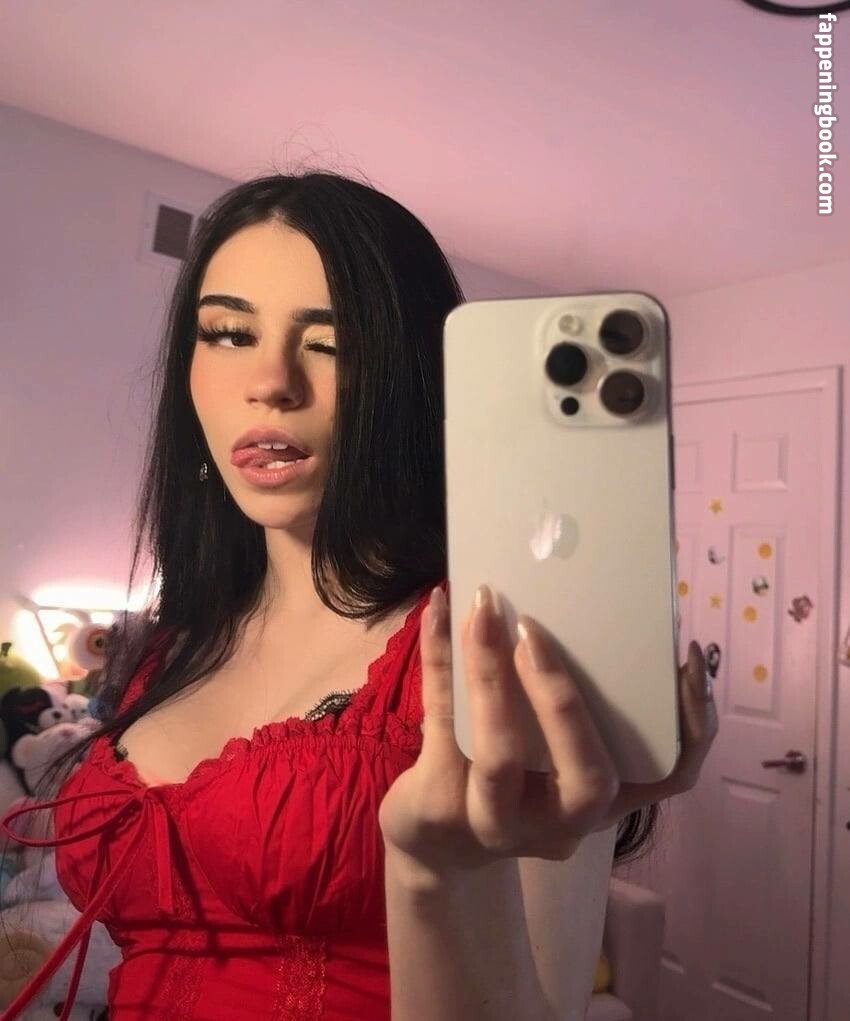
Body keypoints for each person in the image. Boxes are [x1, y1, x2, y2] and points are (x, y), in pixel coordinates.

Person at [0, 171, 718, 1020]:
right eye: (228, 333)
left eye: (331, 343)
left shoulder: (488, 642)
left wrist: (431, 876)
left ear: (410, 381)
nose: (271, 380)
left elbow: (548, 1004)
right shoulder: (170, 645)